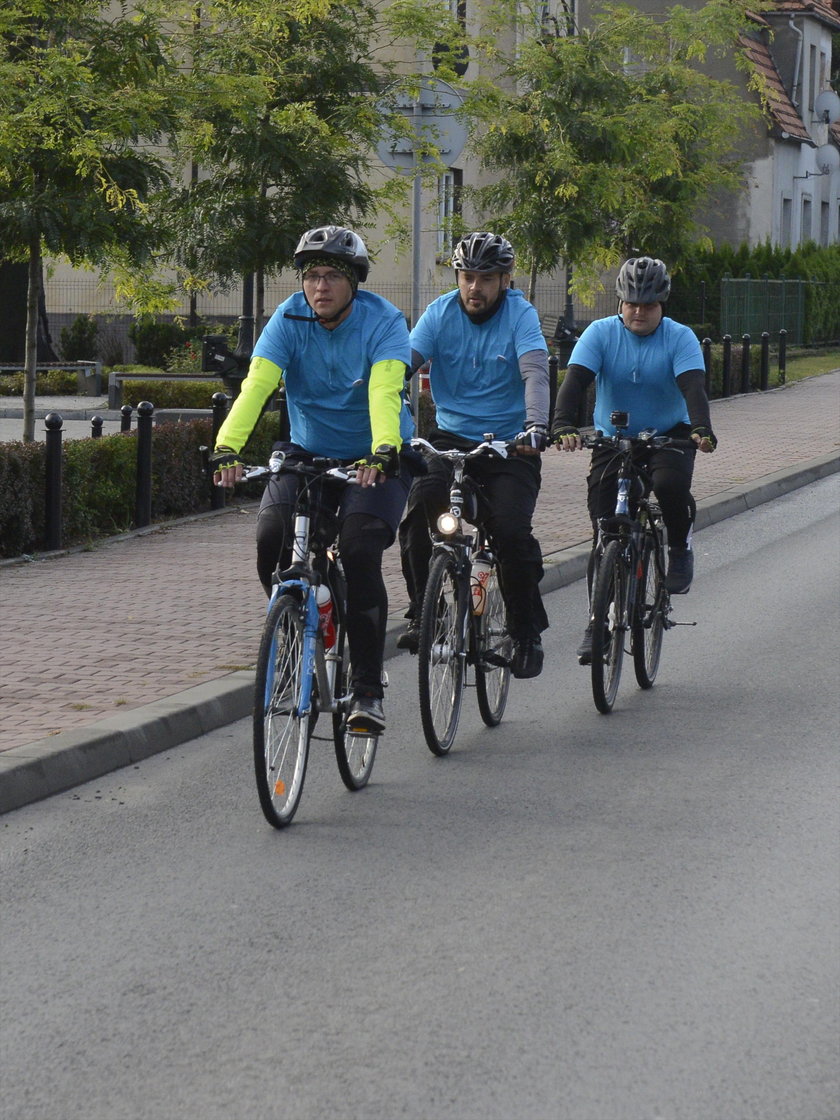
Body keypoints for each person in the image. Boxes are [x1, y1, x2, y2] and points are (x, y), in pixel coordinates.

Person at [210, 225, 415, 734]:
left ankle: (367, 689)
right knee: (271, 539)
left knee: (362, 550)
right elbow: (257, 385)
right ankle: (295, 627)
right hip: (308, 454)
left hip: (375, 457)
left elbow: (385, 391)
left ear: (354, 282)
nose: (319, 286)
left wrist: (384, 448)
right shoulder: (288, 317)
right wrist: (226, 446)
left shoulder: (384, 323)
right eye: (311, 276)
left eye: (331, 276)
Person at [397, 231, 551, 679]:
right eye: (467, 276)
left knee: (509, 531)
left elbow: (535, 374)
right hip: (450, 438)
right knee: (418, 515)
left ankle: (526, 633)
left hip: (510, 444)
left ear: (505, 280)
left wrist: (536, 425)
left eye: (486, 278)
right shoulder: (440, 313)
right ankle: (425, 614)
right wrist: (377, 406)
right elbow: (403, 363)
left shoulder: (521, 315)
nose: (474, 287)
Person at [550, 255, 717, 664]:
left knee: (670, 486)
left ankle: (678, 545)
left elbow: (693, 386)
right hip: (614, 439)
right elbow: (575, 383)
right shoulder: (600, 334)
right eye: (631, 304)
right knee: (604, 530)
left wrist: (701, 428)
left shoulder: (679, 338)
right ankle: (597, 623)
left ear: (662, 304)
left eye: (648, 305)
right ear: (620, 302)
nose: (638, 312)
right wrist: (562, 424)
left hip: (668, 435)